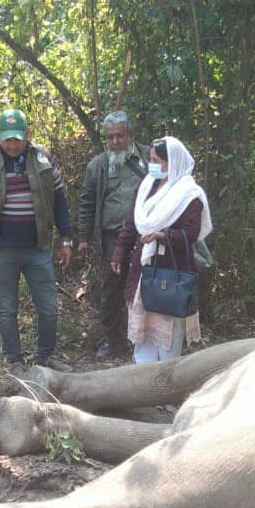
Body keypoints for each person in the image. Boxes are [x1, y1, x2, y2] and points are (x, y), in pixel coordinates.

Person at [0, 108, 73, 371]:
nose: (12, 145)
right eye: (7, 139)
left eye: (17, 138)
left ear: (27, 134)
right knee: (7, 309)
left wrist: (66, 239)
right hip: (3, 250)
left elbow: (59, 200)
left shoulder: (44, 158)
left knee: (48, 307)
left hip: (39, 246)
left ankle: (45, 358)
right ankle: (15, 361)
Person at [111, 136, 212, 364]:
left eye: (157, 160)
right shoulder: (145, 186)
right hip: (143, 269)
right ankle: (143, 382)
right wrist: (119, 251)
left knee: (168, 331)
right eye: (151, 159)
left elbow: (191, 233)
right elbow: (131, 223)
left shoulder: (189, 194)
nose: (152, 165)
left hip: (171, 271)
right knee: (142, 331)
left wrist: (163, 236)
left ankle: (166, 383)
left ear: (172, 162)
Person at [77, 110, 149, 359]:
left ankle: (142, 340)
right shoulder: (98, 165)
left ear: (130, 134)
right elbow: (86, 202)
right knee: (111, 289)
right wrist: (84, 238)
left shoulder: (150, 158)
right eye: (110, 138)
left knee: (143, 287)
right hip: (111, 237)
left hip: (145, 235)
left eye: (119, 136)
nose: (115, 142)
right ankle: (113, 340)